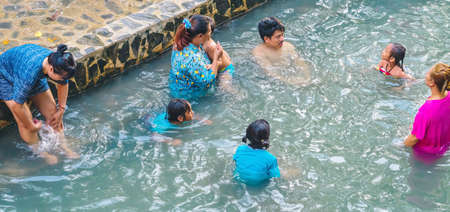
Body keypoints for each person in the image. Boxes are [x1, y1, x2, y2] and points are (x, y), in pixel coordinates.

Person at [0, 44, 78, 164]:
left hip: (27, 72)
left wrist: (61, 110)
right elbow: (17, 105)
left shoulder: (59, 62)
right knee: (25, 123)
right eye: (61, 78)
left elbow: (63, 83)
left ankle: (63, 147)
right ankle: (41, 153)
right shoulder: (30, 74)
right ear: (51, 69)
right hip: (4, 75)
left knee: (54, 115)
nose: (63, 80)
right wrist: (30, 125)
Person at [404, 63, 450, 163]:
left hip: (425, 155)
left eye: (428, 73)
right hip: (444, 146)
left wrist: (401, 146)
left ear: (432, 82)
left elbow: (414, 138)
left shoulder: (425, 111)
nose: (426, 74)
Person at [169, 15, 224, 99]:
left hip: (177, 86)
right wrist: (216, 59)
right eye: (209, 32)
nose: (210, 34)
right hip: (188, 95)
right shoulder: (192, 58)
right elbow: (207, 82)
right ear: (200, 36)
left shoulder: (181, 42)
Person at [252, 17, 311, 86]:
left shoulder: (288, 46)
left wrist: (307, 77)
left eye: (282, 34)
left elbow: (300, 63)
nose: (282, 39)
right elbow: (270, 73)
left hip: (288, 74)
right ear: (267, 39)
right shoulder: (259, 52)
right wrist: (292, 82)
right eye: (278, 36)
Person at [144, 98, 211, 146]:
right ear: (180, 118)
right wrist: (171, 141)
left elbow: (194, 116)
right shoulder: (163, 126)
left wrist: (203, 119)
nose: (192, 112)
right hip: (150, 120)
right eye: (190, 111)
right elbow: (154, 136)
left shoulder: (174, 116)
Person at [233, 119, 280, 185]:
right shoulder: (271, 158)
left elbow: (235, 161)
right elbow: (276, 176)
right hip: (258, 184)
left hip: (239, 180)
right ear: (266, 139)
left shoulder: (240, 149)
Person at [203, 17, 234, 91]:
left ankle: (238, 96)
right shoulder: (203, 42)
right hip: (222, 66)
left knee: (225, 88)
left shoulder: (210, 46)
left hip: (225, 70)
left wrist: (212, 65)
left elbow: (219, 61)